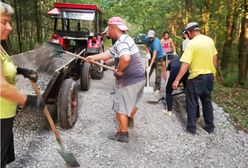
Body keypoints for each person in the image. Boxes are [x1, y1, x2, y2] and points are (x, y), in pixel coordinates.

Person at [86, 16, 145, 143]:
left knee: (120, 108)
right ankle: (127, 122)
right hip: (139, 79)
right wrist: (93, 57)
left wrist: (120, 70)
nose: (108, 33)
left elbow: (125, 58)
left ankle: (123, 134)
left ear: (113, 28)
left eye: (109, 29)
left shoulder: (122, 42)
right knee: (132, 104)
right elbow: (108, 54)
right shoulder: (124, 40)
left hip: (129, 81)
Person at [0, 2, 45, 167]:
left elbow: (6, 67)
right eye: (4, 22)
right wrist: (32, 101)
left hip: (5, 115)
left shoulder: (0, 47)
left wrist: (22, 70)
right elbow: (2, 87)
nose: (10, 27)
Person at [172, 22, 218, 135]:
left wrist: (177, 80)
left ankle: (191, 128)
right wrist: (214, 73)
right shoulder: (209, 40)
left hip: (196, 78)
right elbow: (215, 57)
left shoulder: (192, 44)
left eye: (187, 33)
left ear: (189, 32)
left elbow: (185, 64)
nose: (187, 36)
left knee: (192, 102)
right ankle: (210, 126)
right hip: (209, 77)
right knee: (207, 102)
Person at [145, 30, 165, 94]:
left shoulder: (156, 42)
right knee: (147, 72)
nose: (150, 39)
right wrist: (148, 52)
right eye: (149, 37)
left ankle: (157, 89)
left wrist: (150, 66)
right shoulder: (146, 38)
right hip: (151, 56)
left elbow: (154, 56)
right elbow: (146, 46)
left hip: (159, 58)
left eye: (151, 38)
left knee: (158, 74)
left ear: (154, 36)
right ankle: (145, 85)